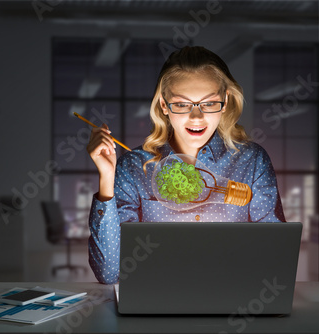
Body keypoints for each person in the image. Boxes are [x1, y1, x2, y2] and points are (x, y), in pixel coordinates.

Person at [86, 46, 285, 284]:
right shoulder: (134, 165)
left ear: (225, 101)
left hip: (233, 299)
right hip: (157, 300)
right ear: (163, 105)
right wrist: (106, 178)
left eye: (209, 103)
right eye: (182, 104)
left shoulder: (251, 161)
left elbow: (275, 259)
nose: (197, 117)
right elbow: (109, 274)